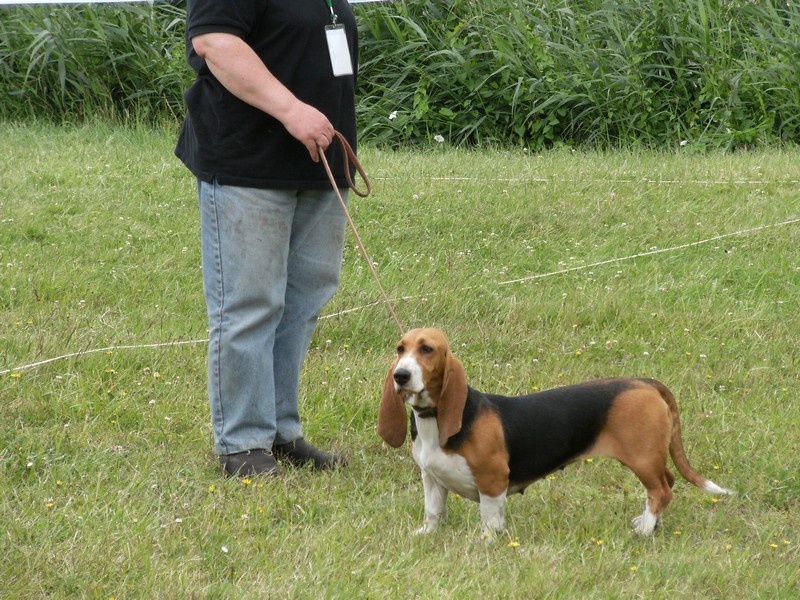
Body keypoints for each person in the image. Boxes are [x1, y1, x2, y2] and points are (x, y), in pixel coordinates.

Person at [175, 0, 358, 477]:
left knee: (303, 299)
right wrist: (293, 111)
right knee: (250, 303)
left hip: (317, 164)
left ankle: (280, 432)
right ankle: (242, 443)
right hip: (247, 163)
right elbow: (215, 42)